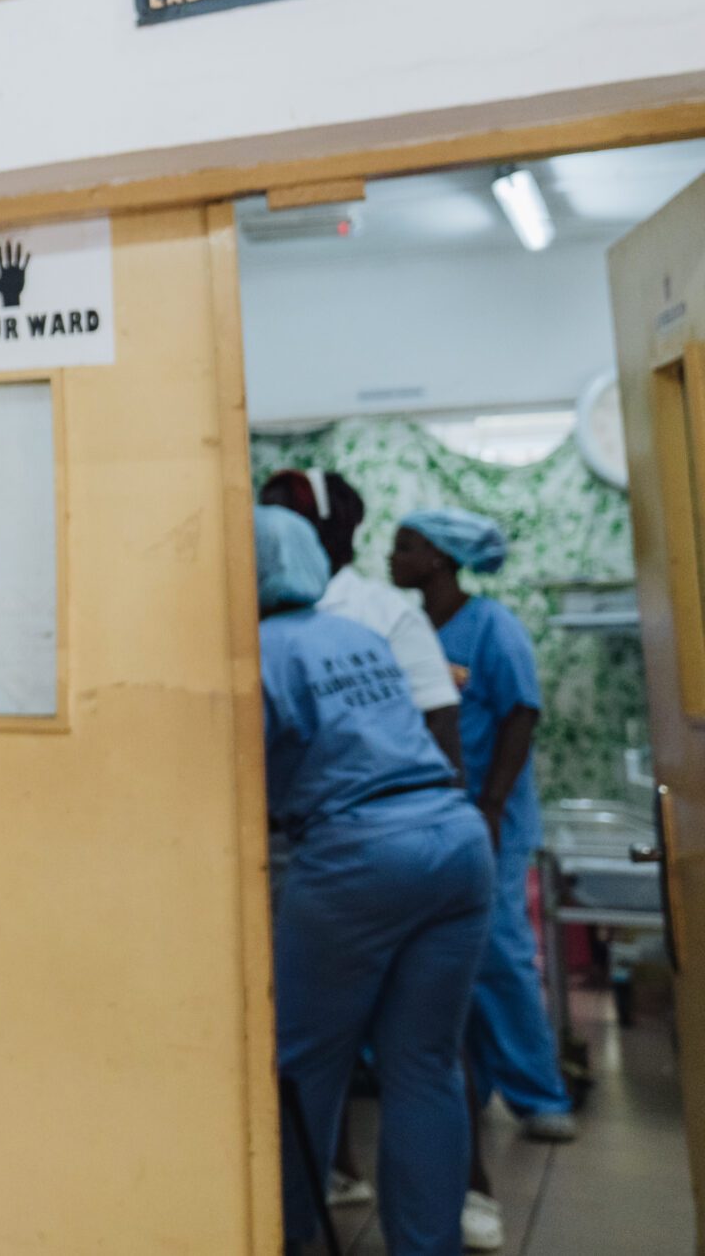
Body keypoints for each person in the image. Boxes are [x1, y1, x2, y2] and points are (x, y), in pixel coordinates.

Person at [259, 506, 493, 1256]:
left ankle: (283, 1236)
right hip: (454, 842)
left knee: (304, 1067)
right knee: (424, 1065)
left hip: (356, 857)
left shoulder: (257, 653)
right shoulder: (358, 635)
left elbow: (234, 784)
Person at [390, 509, 577, 1246]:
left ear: (440, 558)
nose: (393, 555)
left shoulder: (491, 626)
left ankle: (541, 1093)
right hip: (439, 820)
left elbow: (520, 715)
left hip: (490, 817)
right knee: (450, 961)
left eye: (406, 545)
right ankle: (480, 1082)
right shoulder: (413, 628)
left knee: (499, 951)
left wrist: (493, 803)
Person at [260, 470, 462, 765]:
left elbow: (440, 720)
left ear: (320, 529)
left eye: (282, 517)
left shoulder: (385, 612)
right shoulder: (259, 617)